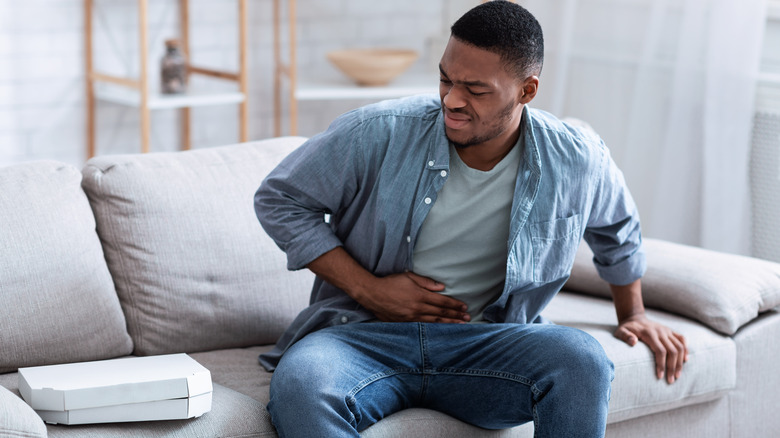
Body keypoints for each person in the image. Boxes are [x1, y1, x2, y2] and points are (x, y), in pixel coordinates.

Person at [254, 1, 688, 436]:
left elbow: (617, 229)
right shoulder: (377, 131)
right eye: (446, 78)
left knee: (581, 359)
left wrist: (633, 313)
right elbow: (279, 200)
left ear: (527, 90)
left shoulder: (576, 158)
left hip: (489, 345)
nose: (452, 99)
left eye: (476, 90)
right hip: (363, 338)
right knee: (303, 384)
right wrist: (371, 290)